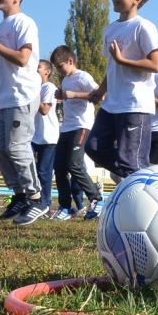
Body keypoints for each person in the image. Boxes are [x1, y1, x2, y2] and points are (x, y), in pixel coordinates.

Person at [0, 0, 46, 226]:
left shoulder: (24, 22)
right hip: (4, 97)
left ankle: (38, 199)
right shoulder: (0, 27)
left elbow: (22, 59)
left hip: (23, 95)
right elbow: (4, 70)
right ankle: (20, 196)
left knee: (17, 148)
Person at [85, 0, 158, 180]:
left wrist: (122, 60)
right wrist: (101, 89)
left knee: (131, 160)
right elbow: (112, 67)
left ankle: (140, 184)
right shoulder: (110, 29)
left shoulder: (143, 27)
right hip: (112, 104)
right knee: (93, 147)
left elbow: (154, 65)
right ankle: (137, 178)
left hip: (134, 104)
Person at [50, 45, 103, 220]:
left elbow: (98, 95)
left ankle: (96, 200)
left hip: (81, 126)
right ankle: (65, 207)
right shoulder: (65, 80)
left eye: (60, 66)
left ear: (70, 61)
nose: (59, 71)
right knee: (59, 167)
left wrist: (73, 94)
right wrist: (62, 94)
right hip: (66, 127)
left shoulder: (83, 76)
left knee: (74, 164)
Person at [32, 60, 60, 217]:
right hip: (33, 135)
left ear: (47, 72)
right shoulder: (33, 88)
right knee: (28, 168)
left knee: (44, 172)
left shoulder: (48, 87)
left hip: (48, 136)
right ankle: (31, 201)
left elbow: (44, 110)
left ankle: (46, 205)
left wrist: (33, 92)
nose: (35, 70)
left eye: (38, 68)